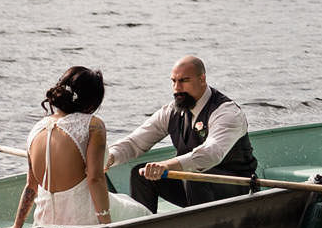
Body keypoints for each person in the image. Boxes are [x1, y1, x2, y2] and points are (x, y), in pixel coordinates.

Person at [0, 66, 144, 228]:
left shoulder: (37, 128)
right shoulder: (93, 125)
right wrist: (105, 226)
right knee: (140, 212)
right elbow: (95, 178)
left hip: (45, 223)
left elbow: (31, 186)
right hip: (83, 218)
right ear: (92, 102)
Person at [107, 55, 260, 213]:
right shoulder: (171, 111)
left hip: (238, 188)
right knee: (142, 174)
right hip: (195, 187)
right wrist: (108, 157)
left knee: (194, 177)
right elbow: (135, 143)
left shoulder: (226, 112)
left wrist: (166, 165)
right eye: (173, 81)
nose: (177, 88)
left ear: (202, 79)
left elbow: (210, 154)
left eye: (184, 81)